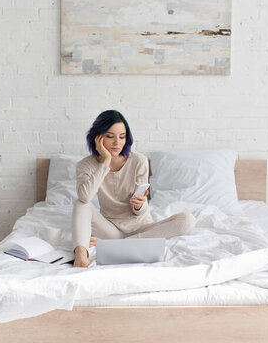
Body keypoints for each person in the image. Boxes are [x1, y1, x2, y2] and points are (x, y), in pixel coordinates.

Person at [72, 110, 196, 267]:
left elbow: (140, 210)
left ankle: (121, 244)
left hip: (141, 228)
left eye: (122, 137)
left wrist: (140, 204)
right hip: (111, 229)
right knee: (80, 204)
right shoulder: (85, 165)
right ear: (97, 137)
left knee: (187, 220)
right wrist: (105, 162)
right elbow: (85, 197)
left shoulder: (139, 161)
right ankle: (81, 255)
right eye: (110, 136)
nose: (117, 143)